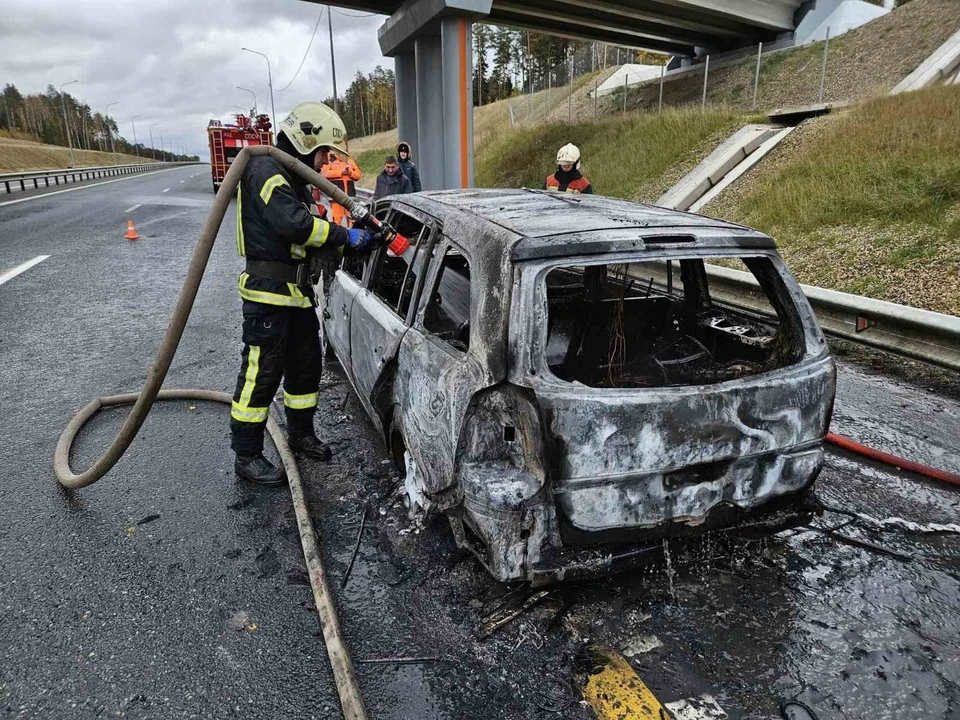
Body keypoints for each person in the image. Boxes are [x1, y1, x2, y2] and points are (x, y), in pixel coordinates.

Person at [232, 101, 378, 486]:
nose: (325, 161)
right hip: (268, 294)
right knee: (261, 373)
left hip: (295, 293)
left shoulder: (292, 178)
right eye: (323, 152)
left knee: (305, 367)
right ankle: (246, 455)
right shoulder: (264, 169)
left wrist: (355, 243)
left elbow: (314, 234)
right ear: (305, 140)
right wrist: (346, 234)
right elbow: (294, 225)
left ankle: (300, 434)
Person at [319, 151, 362, 227]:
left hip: (350, 195)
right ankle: (339, 236)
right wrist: (340, 172)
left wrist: (350, 173)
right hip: (336, 195)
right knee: (337, 218)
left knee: (352, 218)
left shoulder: (349, 160)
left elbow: (358, 175)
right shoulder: (330, 160)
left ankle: (353, 235)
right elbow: (324, 173)